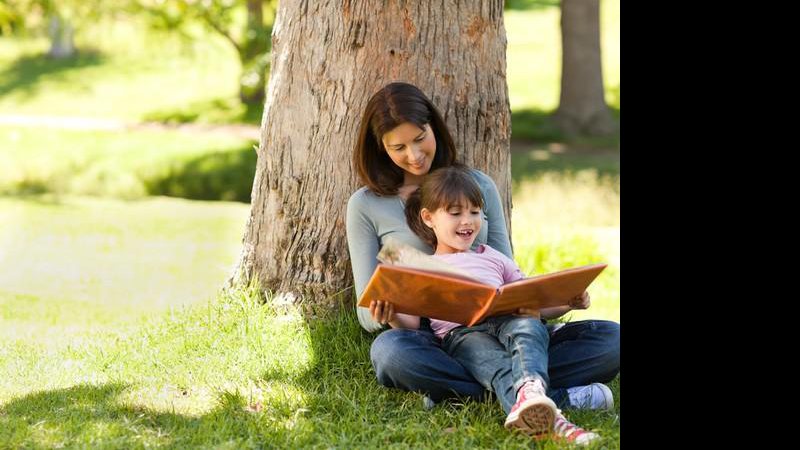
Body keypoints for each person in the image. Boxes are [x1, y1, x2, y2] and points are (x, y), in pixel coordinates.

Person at [346, 81, 619, 414]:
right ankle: (544, 391)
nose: (414, 156)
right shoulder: (366, 204)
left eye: (420, 139)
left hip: (503, 326)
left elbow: (506, 269)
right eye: (398, 147)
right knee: (391, 354)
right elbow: (365, 307)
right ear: (380, 148)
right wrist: (386, 311)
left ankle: (459, 391)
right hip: (437, 337)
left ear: (435, 127)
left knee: (611, 339)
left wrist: (552, 301)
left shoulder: (478, 185)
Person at [398, 165, 598, 443]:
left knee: (529, 326)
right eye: (455, 213)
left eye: (474, 212)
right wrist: (391, 312)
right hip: (464, 335)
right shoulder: (424, 269)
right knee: (497, 364)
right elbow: (407, 324)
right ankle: (557, 418)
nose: (467, 221)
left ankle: (530, 391)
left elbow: (533, 300)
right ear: (429, 218)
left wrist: (568, 303)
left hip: (512, 320)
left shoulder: (493, 256)